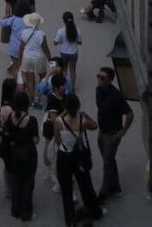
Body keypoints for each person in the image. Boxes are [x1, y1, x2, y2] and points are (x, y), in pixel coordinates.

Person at [54, 93, 104, 226]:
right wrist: (85, 114)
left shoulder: (59, 121)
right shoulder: (82, 120)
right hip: (78, 156)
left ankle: (70, 219)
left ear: (66, 106)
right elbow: (94, 126)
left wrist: (64, 110)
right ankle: (95, 211)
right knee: (86, 185)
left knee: (66, 189)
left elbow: (57, 140)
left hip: (64, 156)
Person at [95, 66, 134, 202]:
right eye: (98, 76)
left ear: (110, 80)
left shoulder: (116, 95)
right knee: (109, 161)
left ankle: (103, 194)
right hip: (102, 131)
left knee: (107, 164)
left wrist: (122, 132)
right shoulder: (98, 90)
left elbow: (130, 114)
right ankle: (116, 187)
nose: (99, 79)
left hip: (112, 135)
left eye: (102, 78)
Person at [2, 91, 39, 222]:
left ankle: (15, 210)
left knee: (16, 182)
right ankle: (26, 212)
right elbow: (35, 140)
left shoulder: (11, 117)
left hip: (15, 153)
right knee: (28, 183)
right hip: (29, 154)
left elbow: (6, 133)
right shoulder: (31, 120)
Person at [19, 12, 51, 105]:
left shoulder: (24, 32)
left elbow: (21, 47)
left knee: (30, 79)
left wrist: (20, 58)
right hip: (39, 58)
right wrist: (50, 59)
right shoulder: (42, 34)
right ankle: (38, 97)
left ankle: (31, 99)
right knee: (42, 77)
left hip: (27, 57)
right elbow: (46, 48)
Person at [42, 73, 66, 192]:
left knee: (54, 151)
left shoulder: (64, 96)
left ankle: (51, 171)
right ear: (56, 87)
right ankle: (48, 171)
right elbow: (53, 118)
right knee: (49, 149)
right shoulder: (52, 99)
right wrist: (67, 112)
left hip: (61, 129)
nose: (65, 87)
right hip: (51, 128)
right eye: (62, 85)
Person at [0, 78, 18, 200]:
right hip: (9, 140)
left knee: (8, 165)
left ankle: (9, 188)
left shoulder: (5, 104)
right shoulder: (8, 108)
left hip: (6, 139)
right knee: (10, 165)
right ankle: (10, 189)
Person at [54, 12, 82, 87]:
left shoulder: (60, 31)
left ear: (63, 21)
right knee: (72, 70)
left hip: (64, 53)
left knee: (64, 70)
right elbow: (79, 42)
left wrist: (61, 42)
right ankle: (72, 87)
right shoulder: (77, 30)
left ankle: (65, 87)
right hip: (73, 53)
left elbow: (55, 42)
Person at [0, 4, 28, 80]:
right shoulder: (29, 20)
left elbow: (2, 23)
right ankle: (27, 85)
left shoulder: (14, 19)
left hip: (14, 48)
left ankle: (18, 85)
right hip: (26, 49)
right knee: (26, 68)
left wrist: (6, 17)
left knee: (16, 68)